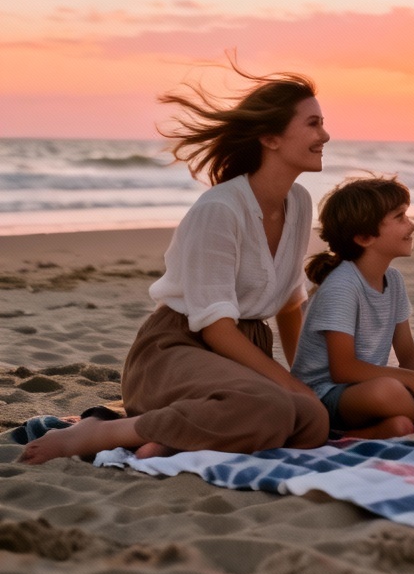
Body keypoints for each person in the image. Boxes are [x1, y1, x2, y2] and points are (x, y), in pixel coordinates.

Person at [20, 62, 332, 464]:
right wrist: (288, 384)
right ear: (270, 137)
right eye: (313, 124)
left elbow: (290, 304)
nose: (325, 135)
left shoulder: (300, 203)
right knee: (272, 406)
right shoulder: (220, 209)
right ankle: (103, 429)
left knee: (313, 422)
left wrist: (306, 379)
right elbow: (217, 329)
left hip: (246, 349)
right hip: (177, 347)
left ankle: (167, 441)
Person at [291, 176, 414, 437]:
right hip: (328, 393)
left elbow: (409, 356)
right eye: (400, 217)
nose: (412, 223)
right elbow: (343, 369)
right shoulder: (342, 286)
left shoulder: (394, 281)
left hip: (373, 383)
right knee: (387, 392)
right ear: (365, 237)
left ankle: (403, 421)